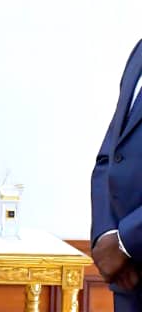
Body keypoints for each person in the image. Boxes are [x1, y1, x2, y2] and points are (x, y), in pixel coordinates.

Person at [92, 38, 142, 310]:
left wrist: (125, 241)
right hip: (127, 279)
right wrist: (106, 233)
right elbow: (110, 156)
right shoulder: (139, 51)